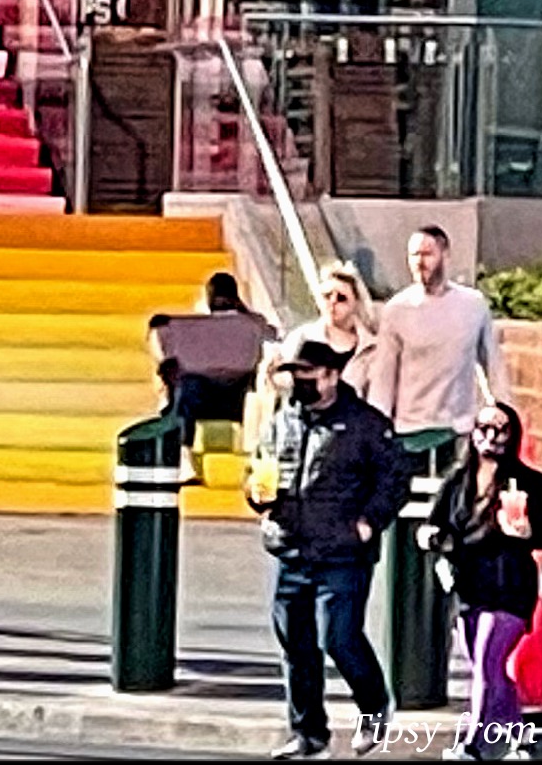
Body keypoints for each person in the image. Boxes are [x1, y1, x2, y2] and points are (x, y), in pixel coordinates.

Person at [248, 337, 411, 760]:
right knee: (296, 645)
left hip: (342, 551)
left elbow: (394, 478)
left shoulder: (365, 424)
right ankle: (308, 734)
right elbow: (259, 467)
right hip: (291, 547)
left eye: (309, 376)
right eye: (295, 376)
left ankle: (374, 706)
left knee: (339, 637)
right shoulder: (283, 420)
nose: (300, 384)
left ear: (332, 376)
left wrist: (368, 523)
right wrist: (256, 494)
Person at [420, 402, 542, 761]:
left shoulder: (530, 482)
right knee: (491, 669)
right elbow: (435, 525)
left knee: (485, 663)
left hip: (509, 584)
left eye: (501, 429)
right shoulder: (457, 480)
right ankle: (518, 742)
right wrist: (431, 537)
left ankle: (474, 745)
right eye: (484, 428)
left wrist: (526, 530)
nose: (491, 436)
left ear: (512, 435)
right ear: (473, 432)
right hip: (470, 585)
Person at [367, 226, 514, 441]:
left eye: (427, 254)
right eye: (414, 255)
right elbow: (383, 377)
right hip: (410, 429)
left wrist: (505, 410)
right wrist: (375, 428)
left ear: (445, 255)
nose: (419, 262)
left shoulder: (473, 305)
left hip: (460, 428)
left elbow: (493, 365)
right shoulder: (396, 310)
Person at [151, 271, 278, 435]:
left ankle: (183, 444)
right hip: (212, 394)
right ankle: (183, 447)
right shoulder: (248, 323)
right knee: (183, 381)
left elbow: (273, 336)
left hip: (231, 393)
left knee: (187, 386)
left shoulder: (251, 324)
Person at [278, 265, 381, 397]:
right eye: (327, 296)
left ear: (355, 303)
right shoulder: (301, 337)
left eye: (341, 298)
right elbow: (282, 383)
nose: (333, 302)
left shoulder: (371, 348)